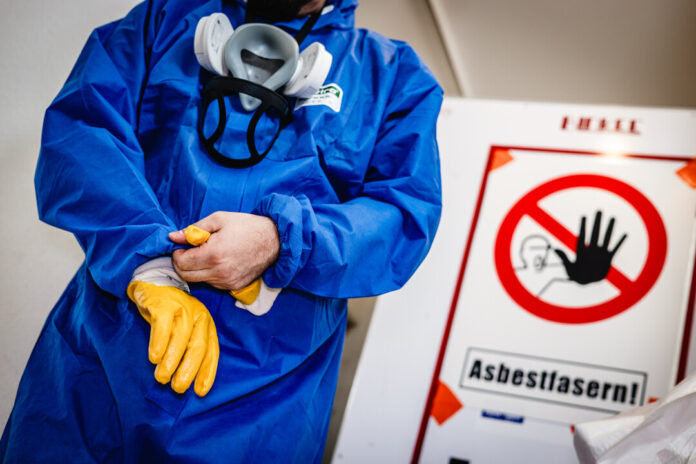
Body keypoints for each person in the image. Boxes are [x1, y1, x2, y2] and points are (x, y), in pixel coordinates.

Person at [0, 0, 442, 462]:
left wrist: (280, 240)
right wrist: (147, 264)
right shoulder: (163, 20)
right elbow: (82, 136)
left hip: (261, 405)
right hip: (94, 372)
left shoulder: (393, 77)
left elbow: (403, 215)